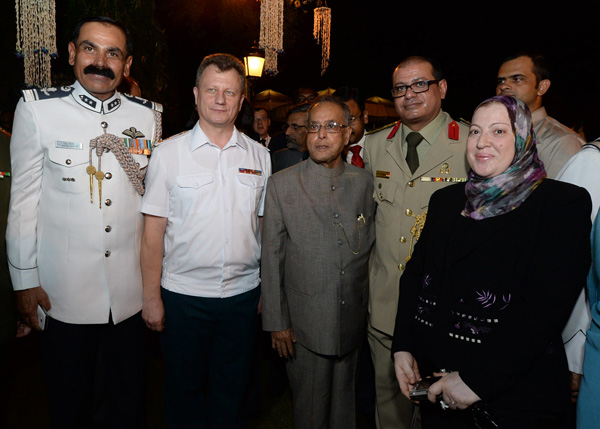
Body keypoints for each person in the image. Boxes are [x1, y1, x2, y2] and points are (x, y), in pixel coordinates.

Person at [392, 95, 592, 428]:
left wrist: (476, 381)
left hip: (513, 400)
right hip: (436, 388)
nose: (482, 142)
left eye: (499, 131)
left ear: (524, 138)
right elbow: (415, 275)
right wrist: (403, 346)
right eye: (476, 132)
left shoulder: (559, 205)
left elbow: (544, 310)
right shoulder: (445, 200)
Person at [6, 15, 162, 428]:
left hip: (128, 297)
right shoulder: (38, 110)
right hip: (63, 295)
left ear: (126, 66)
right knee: (69, 402)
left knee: (127, 402)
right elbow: (22, 204)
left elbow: (151, 202)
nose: (100, 61)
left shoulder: (148, 117)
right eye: (90, 48)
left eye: (113, 53)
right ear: (72, 53)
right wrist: (24, 281)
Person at [140, 53, 271, 429]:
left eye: (230, 92)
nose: (220, 99)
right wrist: (151, 299)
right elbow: (152, 234)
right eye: (212, 90)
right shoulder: (168, 154)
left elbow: (262, 227)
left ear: (241, 101)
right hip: (183, 298)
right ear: (196, 94)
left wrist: (264, 289)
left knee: (232, 393)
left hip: (243, 298)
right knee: (184, 395)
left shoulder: (260, 157)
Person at [363, 55, 470, 429]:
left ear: (441, 88)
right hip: (388, 308)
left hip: (446, 311)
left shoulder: (471, 144)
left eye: (419, 84)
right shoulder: (374, 146)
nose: (409, 94)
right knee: (390, 412)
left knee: (445, 415)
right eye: (400, 88)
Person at [261, 95, 376, 428]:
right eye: (314, 127)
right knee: (310, 410)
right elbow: (270, 257)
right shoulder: (282, 184)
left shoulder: (364, 183)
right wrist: (277, 322)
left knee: (345, 410)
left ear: (348, 133)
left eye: (331, 127)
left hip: (351, 321)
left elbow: (367, 248)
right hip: (303, 325)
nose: (321, 135)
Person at [496, 51, 583, 178]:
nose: (504, 86)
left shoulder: (561, 140)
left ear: (542, 87)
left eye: (517, 79)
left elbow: (561, 195)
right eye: (501, 81)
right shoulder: (493, 133)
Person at [334, 86, 369, 168]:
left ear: (365, 116)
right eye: (337, 122)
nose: (346, 127)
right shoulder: (328, 153)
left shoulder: (383, 148)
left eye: (350, 119)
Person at [271, 103, 310, 173]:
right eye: (287, 126)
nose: (287, 132)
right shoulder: (279, 159)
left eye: (295, 127)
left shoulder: (326, 159)